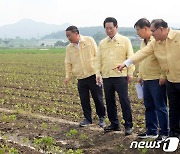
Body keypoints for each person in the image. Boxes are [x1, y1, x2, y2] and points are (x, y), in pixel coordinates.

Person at [115, 19, 180, 138]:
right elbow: (142, 53)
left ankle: (167, 132)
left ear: (161, 29)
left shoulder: (178, 36)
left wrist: (161, 76)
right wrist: (126, 63)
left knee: (163, 107)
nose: (152, 34)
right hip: (171, 80)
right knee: (174, 109)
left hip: (171, 78)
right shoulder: (155, 43)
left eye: (153, 31)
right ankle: (174, 135)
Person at [95, 17, 135, 135]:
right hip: (107, 76)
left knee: (124, 100)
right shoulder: (102, 43)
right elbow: (98, 60)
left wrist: (130, 73)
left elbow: (131, 57)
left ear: (116, 27)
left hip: (120, 76)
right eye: (106, 28)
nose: (109, 31)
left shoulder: (125, 40)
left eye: (111, 28)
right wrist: (98, 73)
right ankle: (114, 124)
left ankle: (128, 125)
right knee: (109, 101)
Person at [134, 18, 169, 140]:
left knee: (160, 106)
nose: (137, 32)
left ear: (146, 28)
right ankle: (151, 130)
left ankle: (164, 132)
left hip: (156, 79)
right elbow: (142, 60)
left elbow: (163, 60)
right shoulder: (143, 43)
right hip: (146, 79)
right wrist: (140, 76)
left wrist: (162, 76)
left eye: (138, 30)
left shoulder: (157, 41)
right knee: (149, 106)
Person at [64, 26, 106, 127]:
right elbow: (68, 63)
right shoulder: (69, 48)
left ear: (76, 33)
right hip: (81, 77)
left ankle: (102, 118)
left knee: (98, 98)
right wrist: (68, 76)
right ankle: (87, 119)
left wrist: (98, 73)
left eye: (69, 36)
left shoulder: (89, 40)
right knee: (84, 99)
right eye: (67, 36)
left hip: (93, 75)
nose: (68, 38)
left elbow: (97, 56)